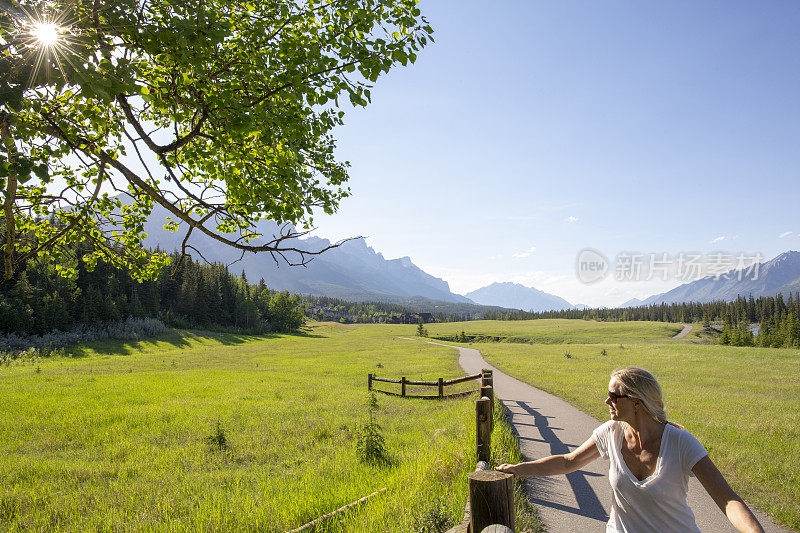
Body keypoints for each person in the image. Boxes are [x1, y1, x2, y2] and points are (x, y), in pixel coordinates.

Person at [495, 367, 764, 533]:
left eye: (614, 396)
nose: (606, 401)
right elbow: (568, 462)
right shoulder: (609, 433)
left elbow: (727, 499)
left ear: (636, 402)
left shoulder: (680, 442)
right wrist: (517, 470)